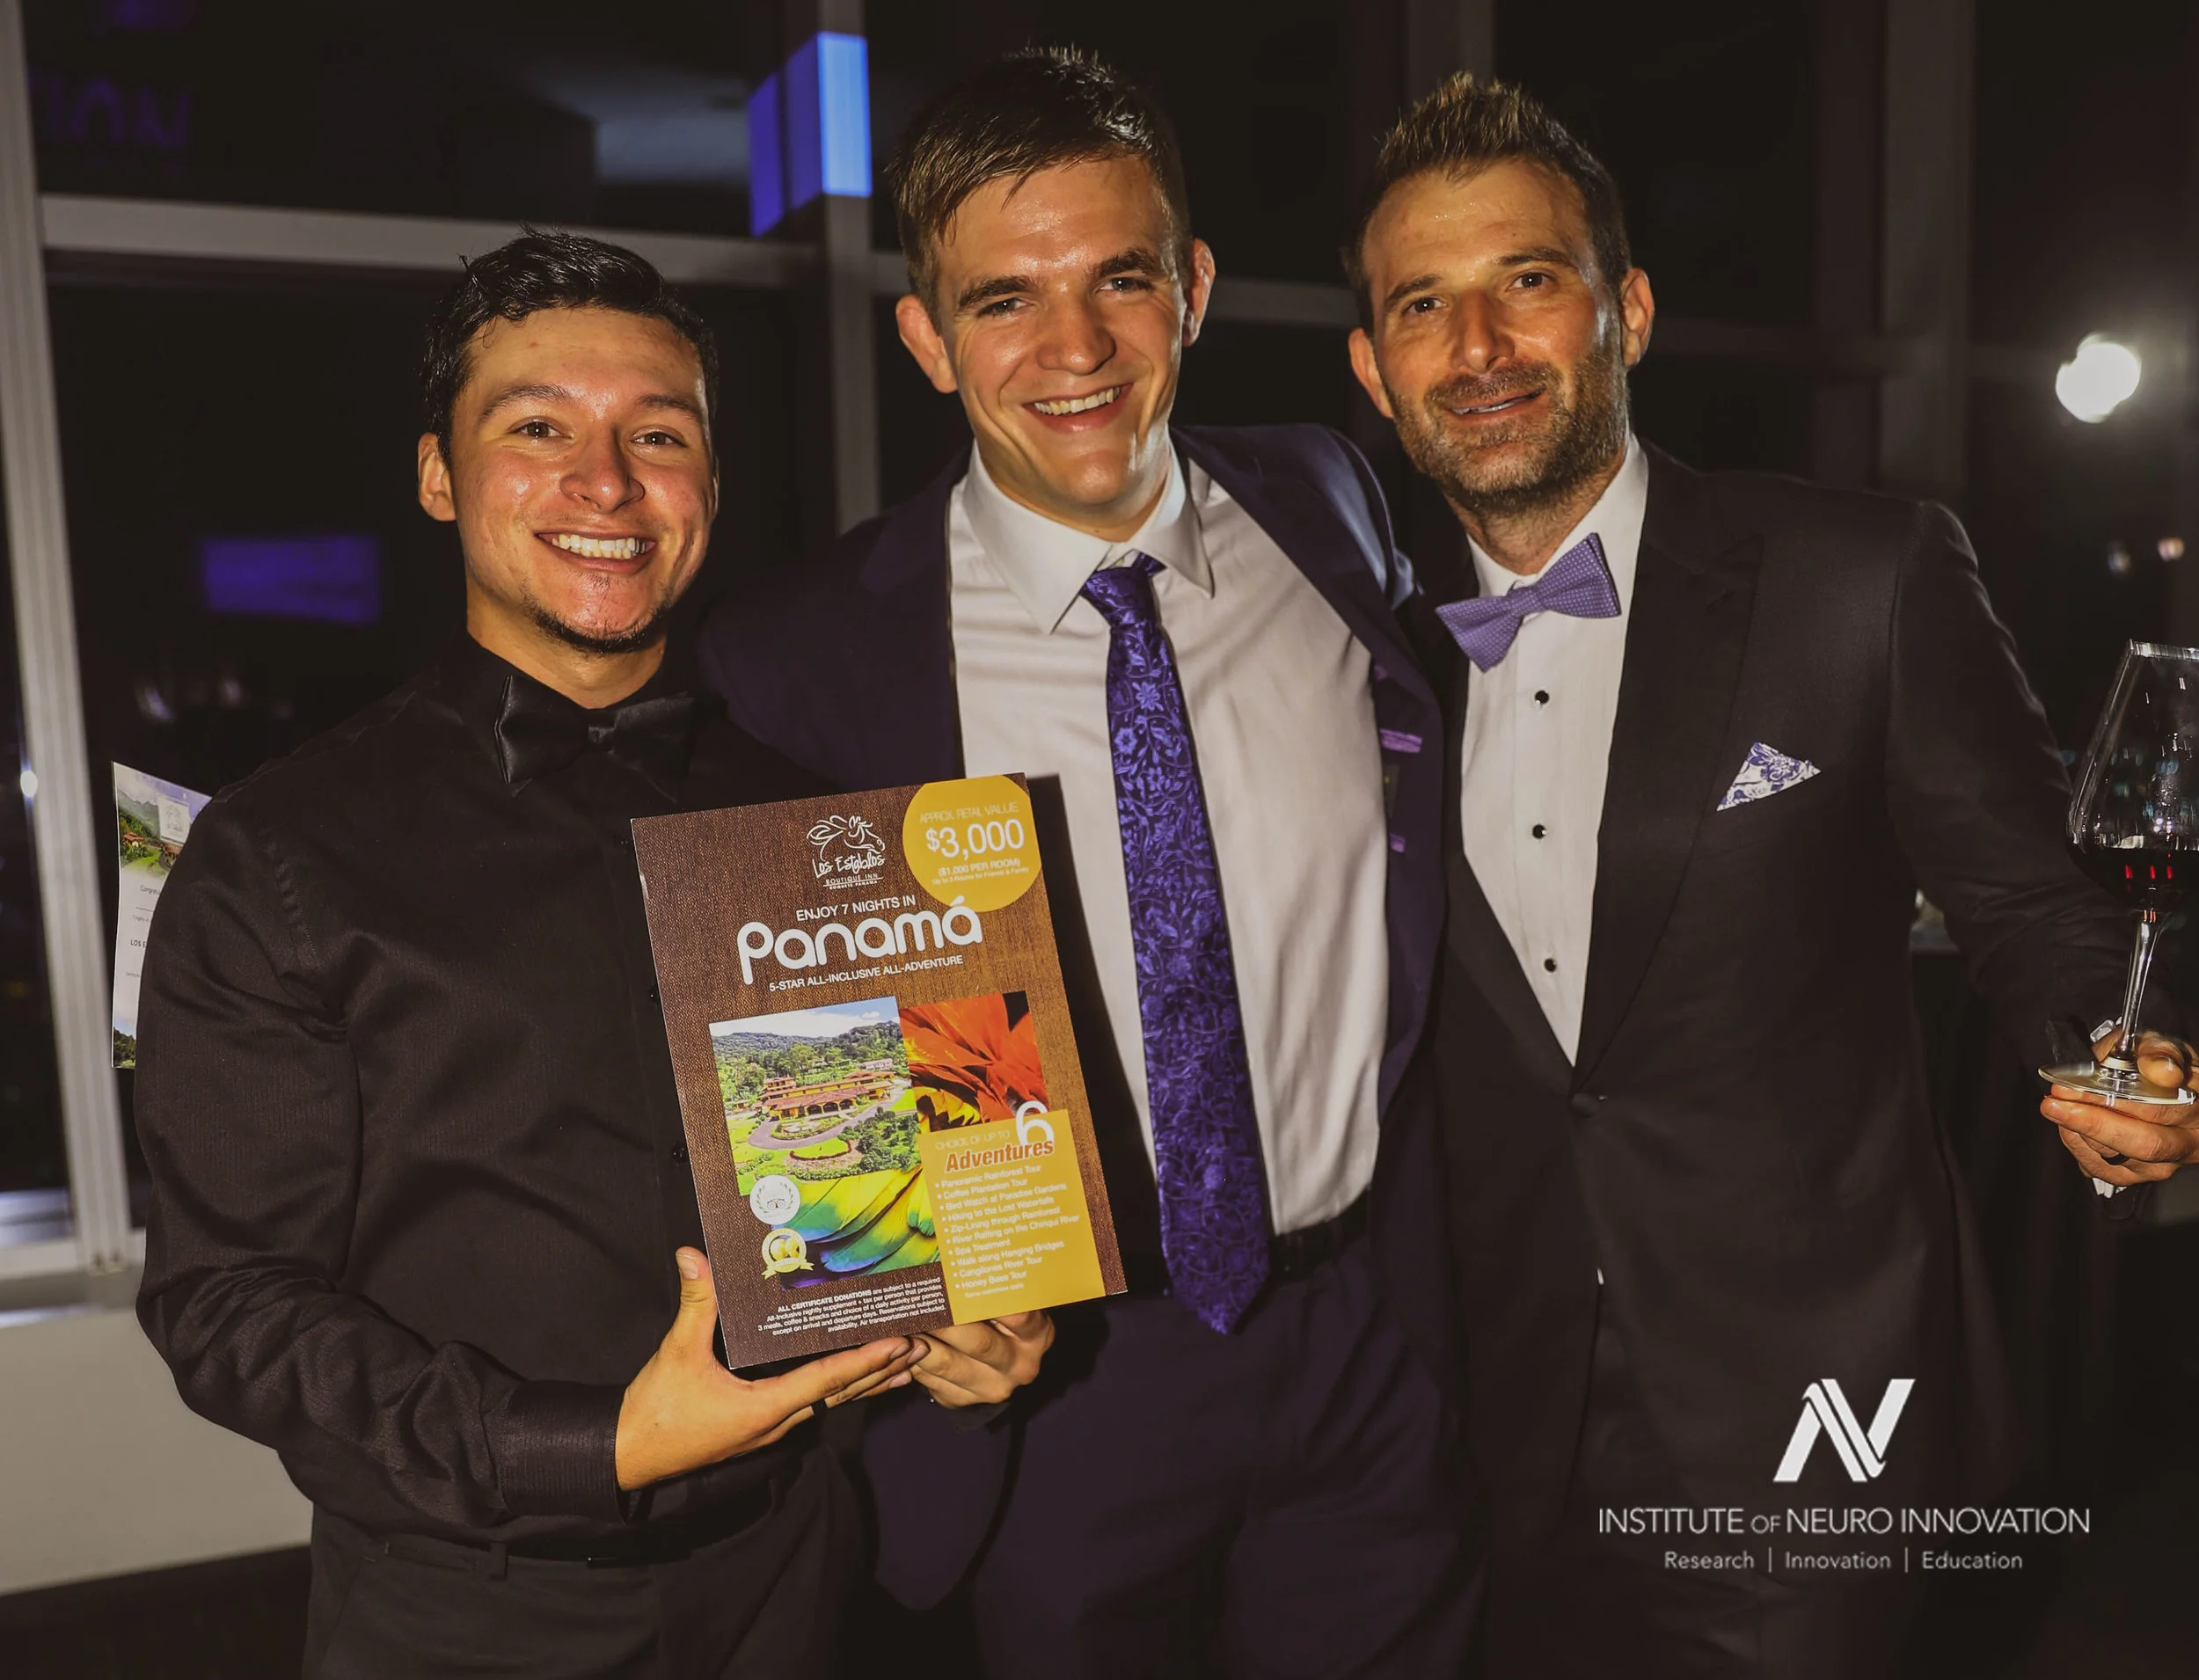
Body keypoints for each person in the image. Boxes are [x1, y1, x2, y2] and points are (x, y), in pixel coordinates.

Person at [134, 230, 1046, 1680]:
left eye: (658, 434)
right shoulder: (276, 856)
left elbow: (873, 1208)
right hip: (467, 1611)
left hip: (798, 1575)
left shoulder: (821, 829)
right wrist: (596, 1441)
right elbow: (225, 1306)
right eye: (538, 428)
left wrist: (967, 1326)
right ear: (439, 475)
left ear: (711, 482)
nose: (607, 482)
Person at [1344, 75, 2168, 1679]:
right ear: (1376, 369)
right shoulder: (1360, 655)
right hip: (1487, 1433)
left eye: (1529, 279)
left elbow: (2032, 904)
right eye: (1423, 304)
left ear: (1628, 311)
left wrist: (2127, 1039)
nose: (1481, 344)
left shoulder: (1861, 577)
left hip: (1812, 1409)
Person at [700, 47, 1472, 1679]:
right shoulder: (800, 656)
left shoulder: (1328, 505)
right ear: (927, 338)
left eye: (1120, 277)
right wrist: (901, 1300)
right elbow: (798, 1043)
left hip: (1367, 1334)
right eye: (1005, 298)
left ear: (1192, 288)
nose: (1074, 347)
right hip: (1055, 1378)